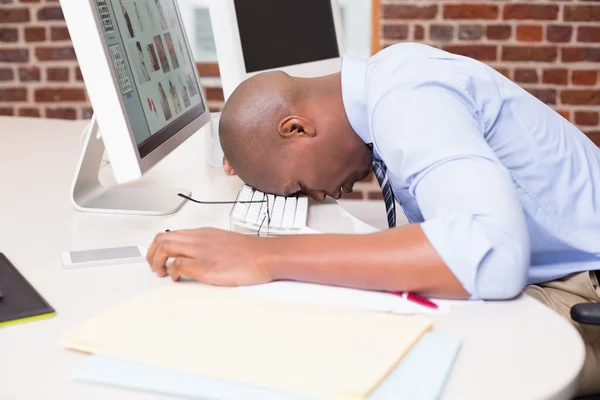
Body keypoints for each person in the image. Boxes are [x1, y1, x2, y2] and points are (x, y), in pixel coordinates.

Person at [146, 43, 600, 395]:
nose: (319, 195)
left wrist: (265, 255)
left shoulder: (408, 99)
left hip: (584, 288)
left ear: (296, 128)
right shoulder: (391, 78)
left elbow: (493, 255)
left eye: (300, 187)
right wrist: (251, 153)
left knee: (380, 362)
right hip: (562, 269)